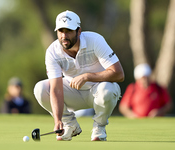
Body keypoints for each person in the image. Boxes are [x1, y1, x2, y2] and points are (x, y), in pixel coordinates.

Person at [34, 10, 124, 141]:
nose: (64, 36)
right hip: (73, 92)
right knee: (40, 88)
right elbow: (56, 89)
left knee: (107, 90)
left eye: (69, 31)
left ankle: (99, 127)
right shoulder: (52, 52)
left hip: (98, 91)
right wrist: (58, 119)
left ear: (79, 31)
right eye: (60, 31)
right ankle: (69, 124)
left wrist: (87, 76)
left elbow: (119, 74)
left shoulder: (95, 40)